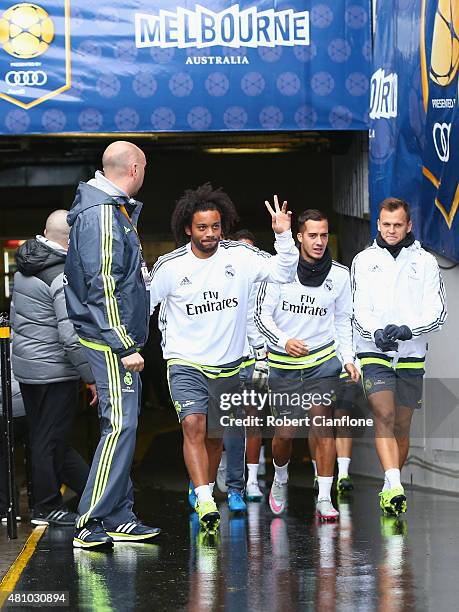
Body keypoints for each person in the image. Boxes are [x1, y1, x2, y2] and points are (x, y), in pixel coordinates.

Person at [150, 184, 298, 532]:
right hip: (185, 361)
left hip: (229, 364)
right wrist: (128, 349)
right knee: (193, 425)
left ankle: (199, 484)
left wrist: (284, 236)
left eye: (215, 227)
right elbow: (143, 305)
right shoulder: (170, 266)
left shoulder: (241, 257)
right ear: (188, 228)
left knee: (214, 436)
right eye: (202, 228)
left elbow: (283, 272)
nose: (210, 234)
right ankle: (204, 497)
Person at [65, 141, 160, 549]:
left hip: (112, 338)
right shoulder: (104, 214)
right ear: (135, 167)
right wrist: (124, 344)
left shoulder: (110, 208)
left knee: (125, 425)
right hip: (111, 341)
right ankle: (89, 520)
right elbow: (101, 285)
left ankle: (119, 515)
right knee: (119, 426)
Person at [255, 209, 359, 521]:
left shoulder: (339, 276)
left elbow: (343, 321)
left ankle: (325, 498)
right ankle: (281, 476)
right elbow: (262, 315)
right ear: (299, 236)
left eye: (324, 235)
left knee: (321, 425)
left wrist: (348, 359)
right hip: (284, 364)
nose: (318, 241)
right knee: (285, 435)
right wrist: (284, 340)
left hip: (322, 363)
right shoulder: (279, 271)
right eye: (312, 235)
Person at [351, 197, 447, 516]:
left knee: (402, 425)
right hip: (374, 350)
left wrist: (409, 329)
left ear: (408, 226)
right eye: (386, 225)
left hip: (411, 352)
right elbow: (358, 309)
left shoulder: (426, 262)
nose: (391, 231)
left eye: (398, 225)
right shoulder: (363, 260)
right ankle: (394, 484)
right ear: (378, 224)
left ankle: (390, 483)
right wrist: (375, 333)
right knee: (384, 415)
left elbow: (438, 312)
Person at [10, 210, 96, 527]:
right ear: (70, 239)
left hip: (28, 367)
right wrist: (90, 377)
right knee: (48, 440)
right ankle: (46, 507)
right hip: (54, 369)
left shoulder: (24, 266)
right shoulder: (60, 275)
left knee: (48, 437)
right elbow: (70, 337)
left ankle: (94, 495)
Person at [0, 367, 27, 523]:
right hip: (25, 402)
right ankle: (39, 506)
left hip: (9, 407)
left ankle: (7, 508)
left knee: (3, 455)